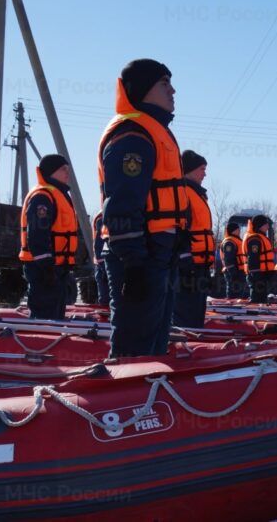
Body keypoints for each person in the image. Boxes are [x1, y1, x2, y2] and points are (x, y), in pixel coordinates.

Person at [98, 59, 189, 357]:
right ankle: (125, 400)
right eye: (165, 83)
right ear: (144, 88)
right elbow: (123, 201)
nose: (173, 90)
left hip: (159, 251)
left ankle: (149, 400)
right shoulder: (132, 135)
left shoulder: (154, 131)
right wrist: (134, 262)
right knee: (136, 343)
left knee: (154, 343)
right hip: (140, 253)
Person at [19, 154, 78, 319]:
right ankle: (36, 343)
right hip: (43, 268)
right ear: (51, 171)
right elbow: (37, 234)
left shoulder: (57, 194)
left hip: (56, 268)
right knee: (44, 316)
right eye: (63, 169)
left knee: (55, 315)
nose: (68, 173)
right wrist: (46, 266)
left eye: (68, 169)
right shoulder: (42, 197)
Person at [173, 150, 214, 327]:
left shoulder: (197, 194)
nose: (205, 173)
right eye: (202, 169)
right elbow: (179, 228)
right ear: (190, 169)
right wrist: (185, 259)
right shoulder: (183, 193)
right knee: (186, 312)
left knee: (197, 312)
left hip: (200, 265)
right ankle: (183, 346)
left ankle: (196, 343)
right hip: (189, 266)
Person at [242, 214, 275, 303]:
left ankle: (260, 312)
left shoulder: (259, 237)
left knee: (261, 297)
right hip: (257, 274)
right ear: (260, 225)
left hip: (262, 273)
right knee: (257, 297)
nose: (268, 226)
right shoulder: (254, 239)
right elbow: (253, 257)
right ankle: (254, 313)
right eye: (266, 224)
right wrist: (256, 274)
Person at [220, 221, 246, 299]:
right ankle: (231, 306)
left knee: (239, 292)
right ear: (233, 230)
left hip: (239, 271)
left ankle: (236, 306)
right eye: (238, 229)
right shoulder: (229, 242)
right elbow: (228, 258)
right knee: (233, 292)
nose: (239, 230)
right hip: (234, 272)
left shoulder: (236, 240)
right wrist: (232, 272)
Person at [92, 210, 110, 305]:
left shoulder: (103, 216)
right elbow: (100, 245)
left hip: (104, 264)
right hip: (103, 265)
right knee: (105, 300)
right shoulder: (102, 218)